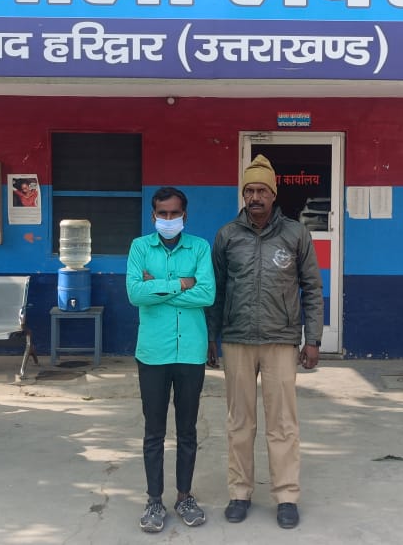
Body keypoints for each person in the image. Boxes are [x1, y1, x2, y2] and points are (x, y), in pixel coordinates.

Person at [206, 154, 323, 530]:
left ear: (274, 194)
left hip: (281, 340)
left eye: (262, 190)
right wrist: (211, 336)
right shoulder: (227, 236)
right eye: (249, 191)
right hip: (237, 339)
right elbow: (216, 290)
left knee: (283, 423)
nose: (255, 197)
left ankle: (286, 496)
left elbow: (312, 288)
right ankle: (239, 492)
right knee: (240, 422)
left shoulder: (295, 234)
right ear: (243, 195)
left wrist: (313, 338)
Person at [125, 186, 215, 533]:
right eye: (162, 213)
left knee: (188, 429)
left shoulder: (200, 247)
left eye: (174, 213)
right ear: (153, 216)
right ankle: (154, 500)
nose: (168, 219)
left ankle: (185, 496)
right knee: (154, 431)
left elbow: (207, 293)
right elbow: (135, 293)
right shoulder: (139, 247)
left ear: (184, 216)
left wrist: (158, 287)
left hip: (190, 351)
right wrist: (182, 284)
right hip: (153, 352)